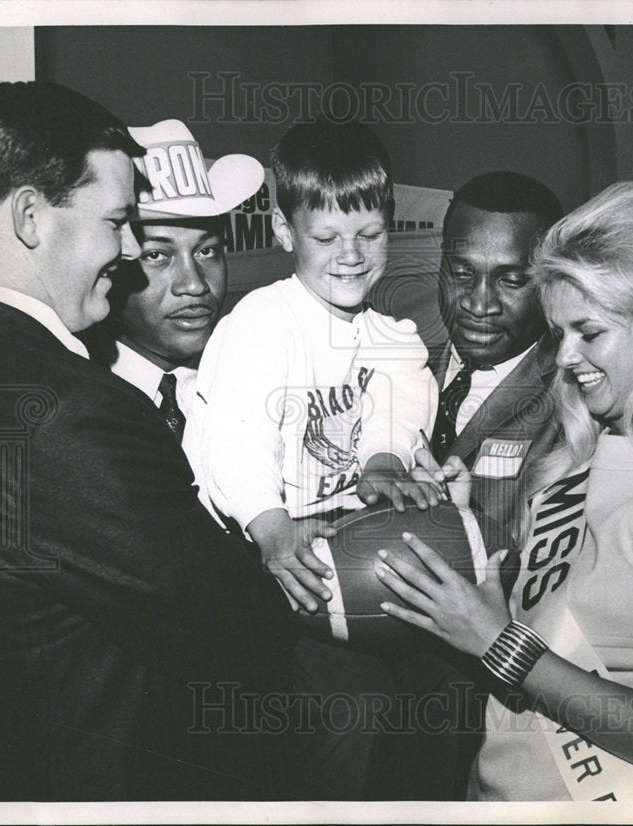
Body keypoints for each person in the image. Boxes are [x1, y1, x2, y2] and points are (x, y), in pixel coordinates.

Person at [0, 81, 294, 801]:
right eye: (119, 222)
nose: (128, 252)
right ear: (31, 217)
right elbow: (239, 632)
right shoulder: (69, 408)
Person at [375, 182, 633, 801]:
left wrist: (498, 644)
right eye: (560, 330)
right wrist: (473, 532)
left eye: (588, 332)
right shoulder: (578, 450)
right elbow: (536, 617)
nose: (563, 356)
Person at [190, 118, 444, 800]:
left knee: (422, 705)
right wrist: (271, 529)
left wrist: (384, 456)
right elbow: (235, 439)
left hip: (349, 563)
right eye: (327, 238)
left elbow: (403, 387)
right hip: (270, 562)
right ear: (283, 232)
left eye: (370, 234)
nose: (352, 256)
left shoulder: (387, 332)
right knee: (347, 715)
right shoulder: (260, 324)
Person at [82, 119, 264, 441]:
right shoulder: (81, 399)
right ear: (111, 264)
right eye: (156, 256)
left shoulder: (257, 381)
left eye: (207, 251)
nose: (194, 285)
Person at [426, 171, 565, 534]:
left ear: (549, 283)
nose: (478, 303)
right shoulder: (397, 372)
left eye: (511, 281)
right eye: (461, 272)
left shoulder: (575, 404)